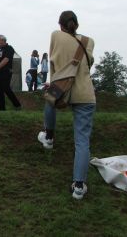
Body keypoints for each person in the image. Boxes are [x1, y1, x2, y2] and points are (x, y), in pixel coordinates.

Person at [37, 11, 96, 200]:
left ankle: (49, 136)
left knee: (50, 99)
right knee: (82, 141)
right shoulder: (89, 41)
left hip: (61, 88)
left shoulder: (56, 35)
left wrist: (54, 81)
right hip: (85, 94)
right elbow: (89, 63)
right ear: (77, 24)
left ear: (60, 24)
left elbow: (54, 60)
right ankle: (79, 186)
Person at [0, 34, 21, 110]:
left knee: (6, 88)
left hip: (6, 71)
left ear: (3, 40)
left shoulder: (9, 48)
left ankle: (17, 105)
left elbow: (6, 60)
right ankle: (2, 109)